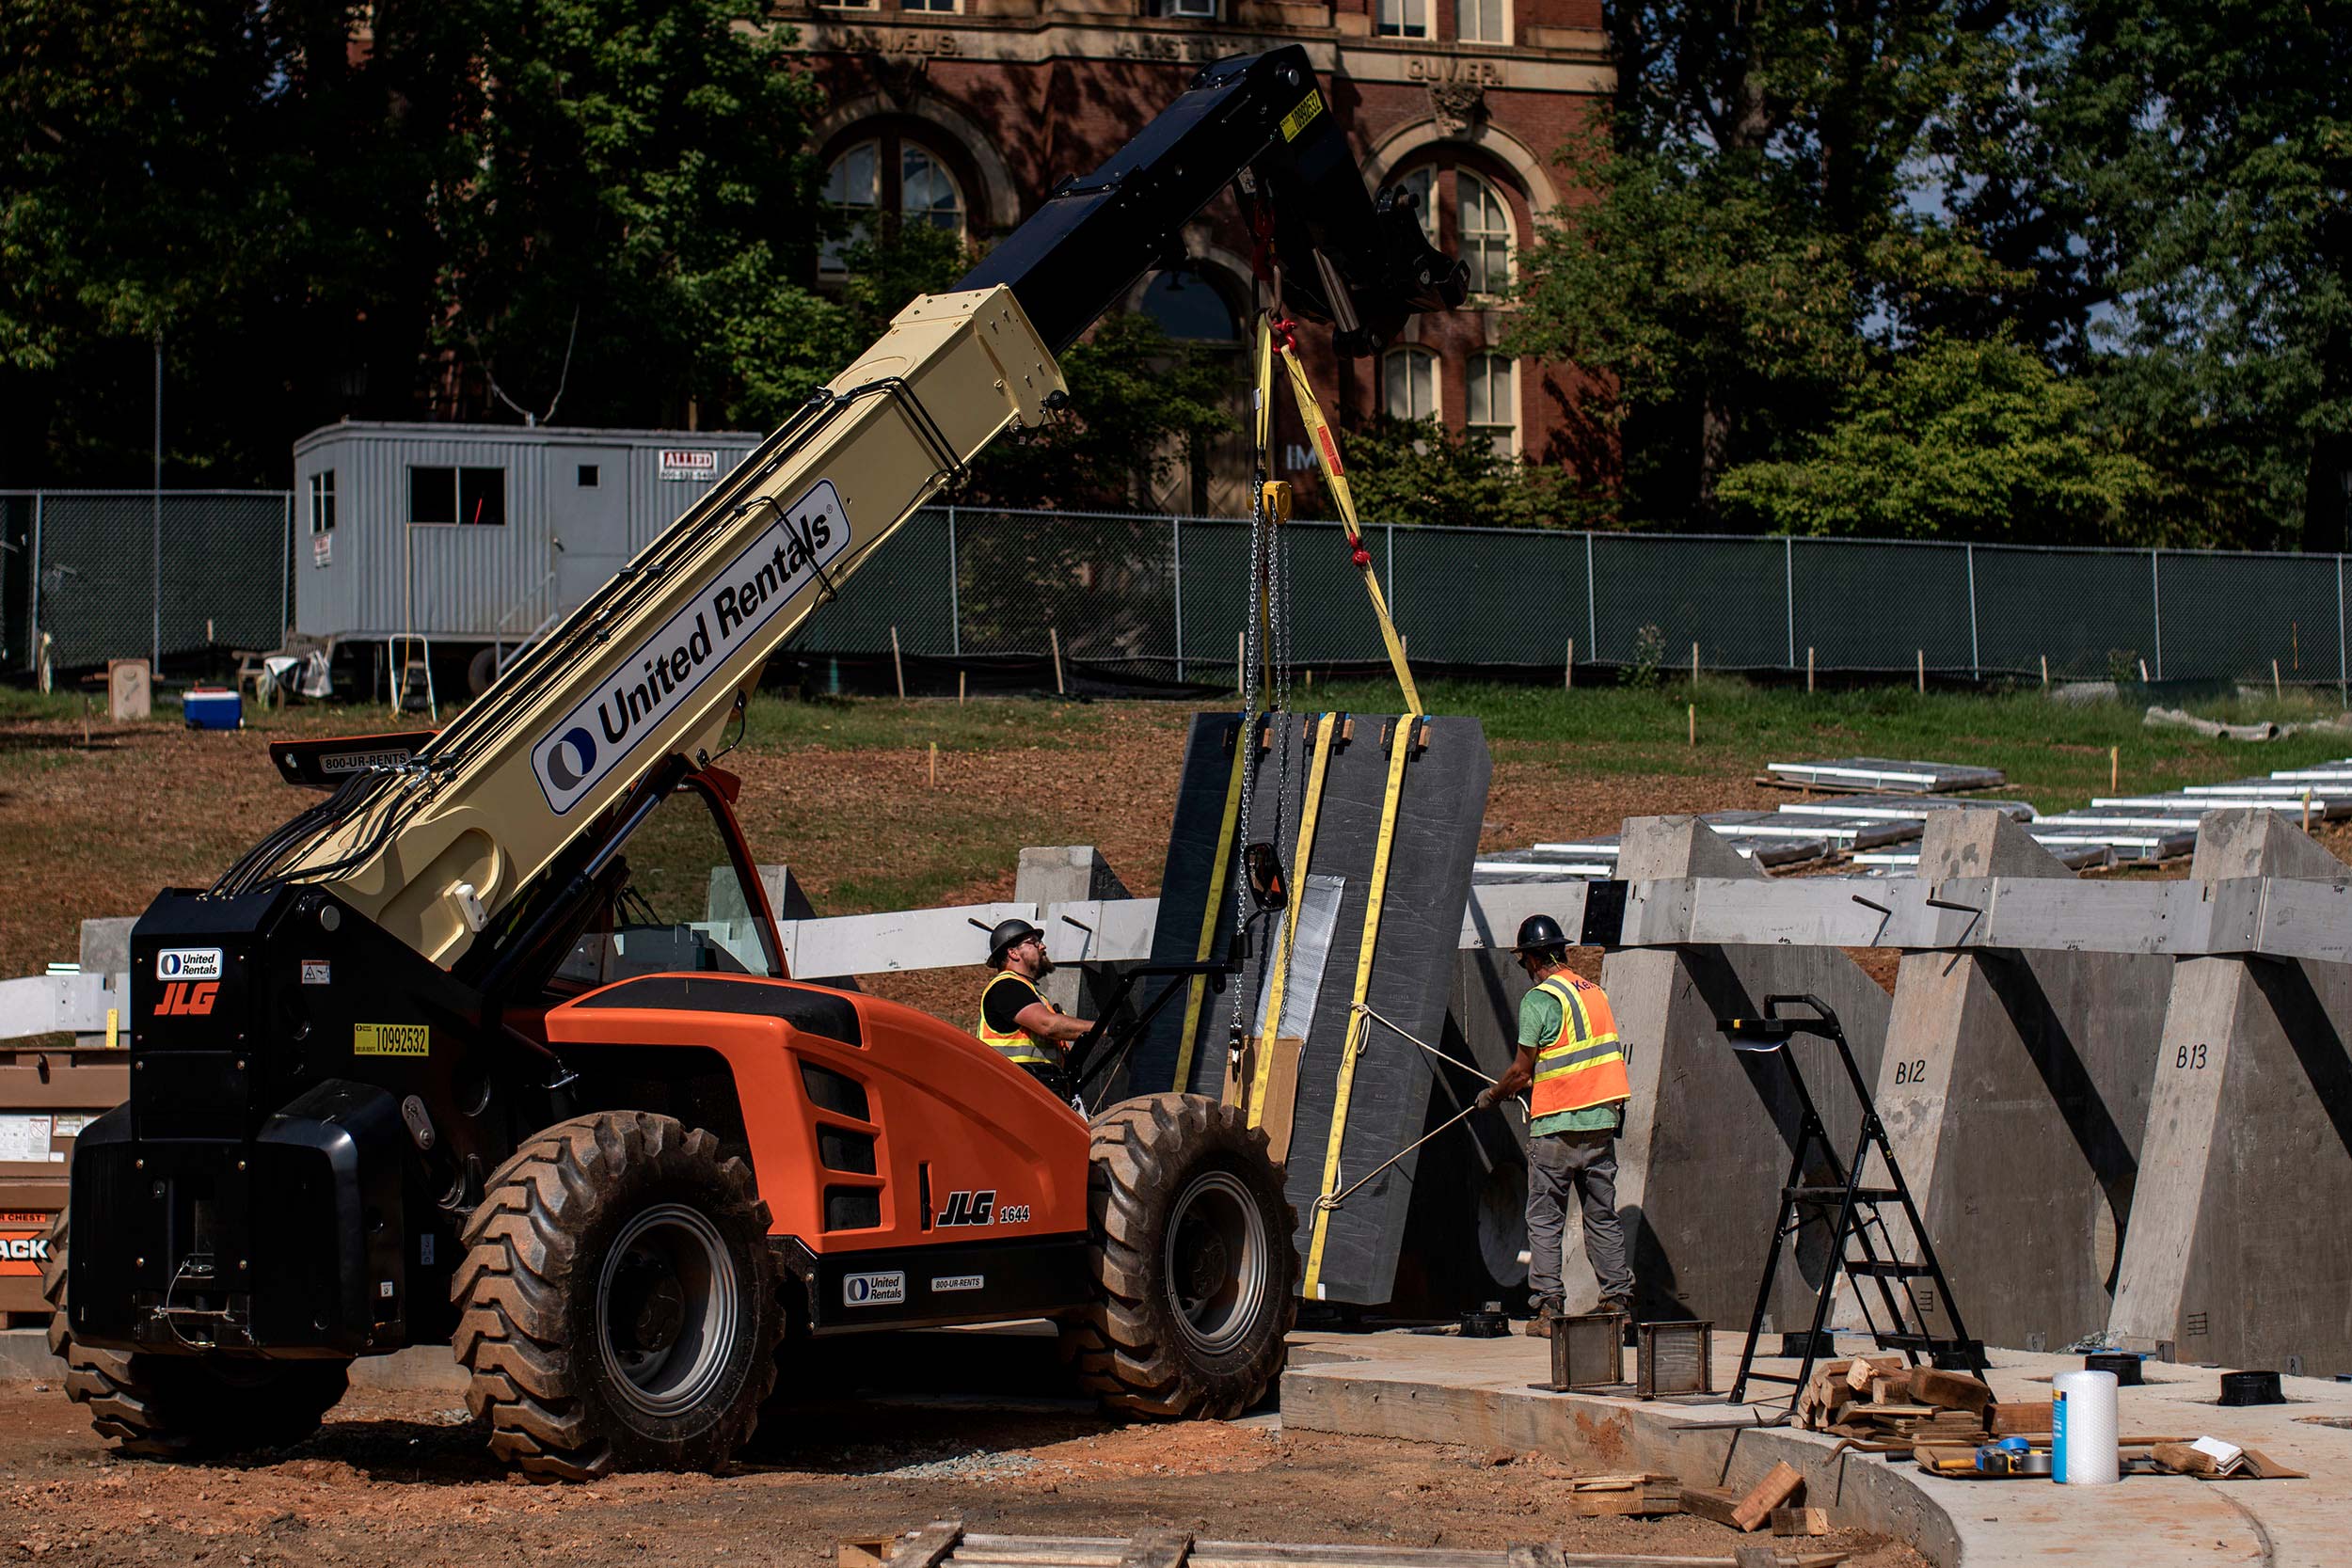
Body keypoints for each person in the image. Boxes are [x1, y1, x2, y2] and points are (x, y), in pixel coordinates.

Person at [1475, 913, 1633, 1339]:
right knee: (1602, 1217)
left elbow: (1521, 1072)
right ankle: (1618, 1304)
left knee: (1545, 1220)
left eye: (1524, 960)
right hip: (1600, 1123)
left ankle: (1549, 1310)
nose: (1525, 968)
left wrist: (1493, 1095)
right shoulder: (1594, 992)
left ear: (1533, 957)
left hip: (1557, 1126)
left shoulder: (1540, 1000)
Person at [976, 917, 1094, 1101]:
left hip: (1027, 1091)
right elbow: (1048, 1025)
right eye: (1034, 942)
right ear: (1013, 953)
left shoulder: (1029, 993)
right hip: (1014, 1092)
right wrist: (1104, 1028)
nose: (1043, 947)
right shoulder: (1007, 986)